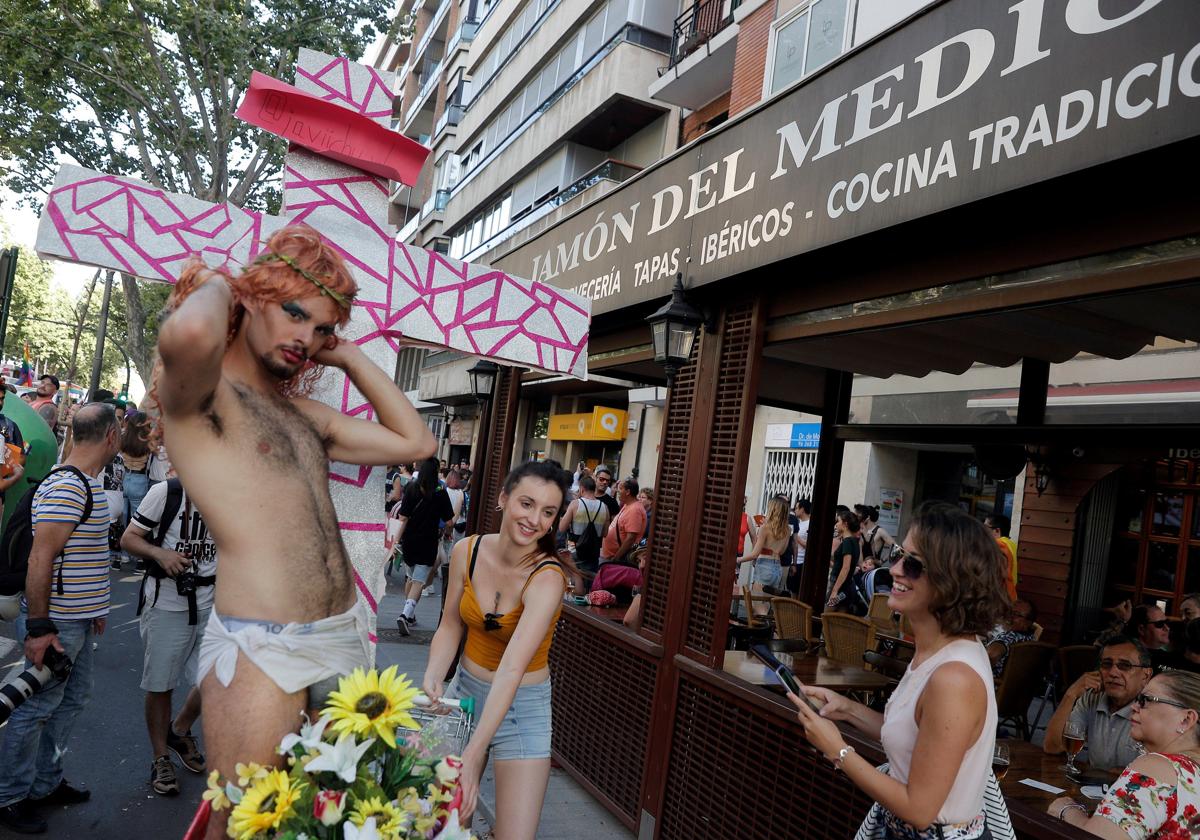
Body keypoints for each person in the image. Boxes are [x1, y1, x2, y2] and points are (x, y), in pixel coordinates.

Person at [150, 224, 435, 840]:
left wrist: (349, 353)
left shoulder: (299, 413)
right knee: (245, 828)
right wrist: (231, 282)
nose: (307, 338)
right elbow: (190, 332)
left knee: (341, 823)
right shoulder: (201, 400)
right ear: (249, 298)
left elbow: (417, 441)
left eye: (322, 328)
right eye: (294, 313)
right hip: (261, 651)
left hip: (340, 637)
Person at [790, 501, 1012, 839]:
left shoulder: (953, 677)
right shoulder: (937, 653)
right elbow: (917, 740)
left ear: (951, 580)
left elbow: (920, 810)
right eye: (898, 556)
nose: (894, 569)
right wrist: (847, 709)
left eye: (912, 564)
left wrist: (839, 750)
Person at [422, 460, 573, 839]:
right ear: (504, 499)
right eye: (527, 503)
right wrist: (434, 675)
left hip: (522, 707)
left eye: (548, 512)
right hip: (464, 695)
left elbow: (512, 669)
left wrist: (473, 755)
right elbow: (451, 625)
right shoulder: (466, 551)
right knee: (442, 827)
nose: (535, 519)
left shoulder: (548, 577)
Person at [0, 404, 119, 835]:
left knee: (69, 701)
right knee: (35, 709)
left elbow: (83, 557)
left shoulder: (83, 483)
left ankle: (44, 784)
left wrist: (96, 610)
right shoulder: (69, 487)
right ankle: (10, 796)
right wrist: (39, 628)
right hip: (56, 624)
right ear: (111, 436)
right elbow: (41, 558)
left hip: (78, 620)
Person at [121, 472, 216, 796]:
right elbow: (129, 538)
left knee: (214, 678)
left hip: (213, 602)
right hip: (167, 603)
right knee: (161, 684)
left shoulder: (231, 492)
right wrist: (162, 555)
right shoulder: (167, 492)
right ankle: (160, 756)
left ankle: (180, 728)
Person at [1047, 670, 1200, 838]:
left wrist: (1067, 810)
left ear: (1186, 719)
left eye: (1145, 700)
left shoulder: (1158, 768)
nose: (1134, 707)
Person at [1044, 635, 1152, 773]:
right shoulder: (1092, 697)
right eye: (1107, 664)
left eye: (1125, 666)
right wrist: (1070, 695)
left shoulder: (1154, 710)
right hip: (1092, 787)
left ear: (1146, 675)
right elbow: (1052, 746)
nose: (1113, 672)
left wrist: (1128, 774)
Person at [395, 456, 455, 633]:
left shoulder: (411, 488)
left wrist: (396, 540)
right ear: (436, 472)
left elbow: (403, 517)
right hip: (428, 541)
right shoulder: (440, 492)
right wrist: (448, 532)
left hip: (409, 540)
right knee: (419, 581)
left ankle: (410, 614)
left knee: (411, 577)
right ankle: (405, 615)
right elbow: (449, 522)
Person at [737, 496, 790, 602]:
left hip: (764, 566)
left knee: (758, 603)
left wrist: (737, 560)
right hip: (777, 568)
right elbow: (782, 551)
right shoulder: (787, 529)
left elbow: (754, 554)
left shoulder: (765, 528)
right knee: (768, 603)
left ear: (773, 509)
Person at [558, 474, 609, 579]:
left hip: (575, 550)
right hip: (593, 553)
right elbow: (605, 533)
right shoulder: (605, 507)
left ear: (581, 489)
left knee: (574, 583)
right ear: (594, 489)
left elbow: (562, 528)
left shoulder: (575, 504)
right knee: (589, 582)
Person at [119, 411, 154, 545]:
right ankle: (137, 557)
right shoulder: (148, 441)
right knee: (138, 522)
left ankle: (120, 555)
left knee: (122, 518)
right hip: (139, 480)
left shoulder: (123, 438)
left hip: (123, 477)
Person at [986, 599, 1038, 678]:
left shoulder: (1009, 637)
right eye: (1009, 612)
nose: (1009, 617)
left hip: (990, 684)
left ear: (1029, 622)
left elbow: (992, 655)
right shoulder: (1030, 639)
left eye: (1016, 614)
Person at [599, 478, 646, 567]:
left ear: (628, 492)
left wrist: (616, 558)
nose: (617, 491)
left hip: (618, 561)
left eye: (620, 488)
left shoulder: (635, 510)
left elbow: (631, 538)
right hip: (610, 557)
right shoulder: (628, 505)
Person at [827, 509, 861, 612]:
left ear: (845, 524)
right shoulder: (854, 541)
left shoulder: (847, 542)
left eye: (838, 521)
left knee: (826, 616)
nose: (836, 524)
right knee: (838, 620)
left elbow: (846, 567)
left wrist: (834, 590)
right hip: (847, 585)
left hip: (839, 584)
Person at [985, 514, 1019, 601]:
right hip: (1010, 594)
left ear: (996, 531)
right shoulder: (1011, 544)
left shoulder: (998, 545)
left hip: (1000, 597)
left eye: (985, 527)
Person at [788, 498, 811, 596]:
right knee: (791, 589)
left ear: (802, 509)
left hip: (801, 562)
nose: (794, 510)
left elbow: (809, 545)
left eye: (797, 508)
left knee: (797, 591)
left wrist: (796, 538)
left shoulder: (810, 523)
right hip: (793, 560)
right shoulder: (798, 523)